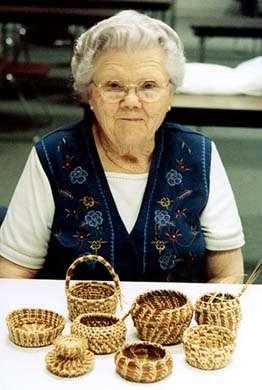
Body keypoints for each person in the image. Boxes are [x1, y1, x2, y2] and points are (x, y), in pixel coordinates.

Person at [0, 10, 244, 282]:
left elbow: (228, 275)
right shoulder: (53, 156)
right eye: (114, 85)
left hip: (178, 323)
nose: (131, 101)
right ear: (89, 93)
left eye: (148, 86)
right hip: (73, 322)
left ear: (170, 95)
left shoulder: (199, 155)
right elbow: (13, 276)